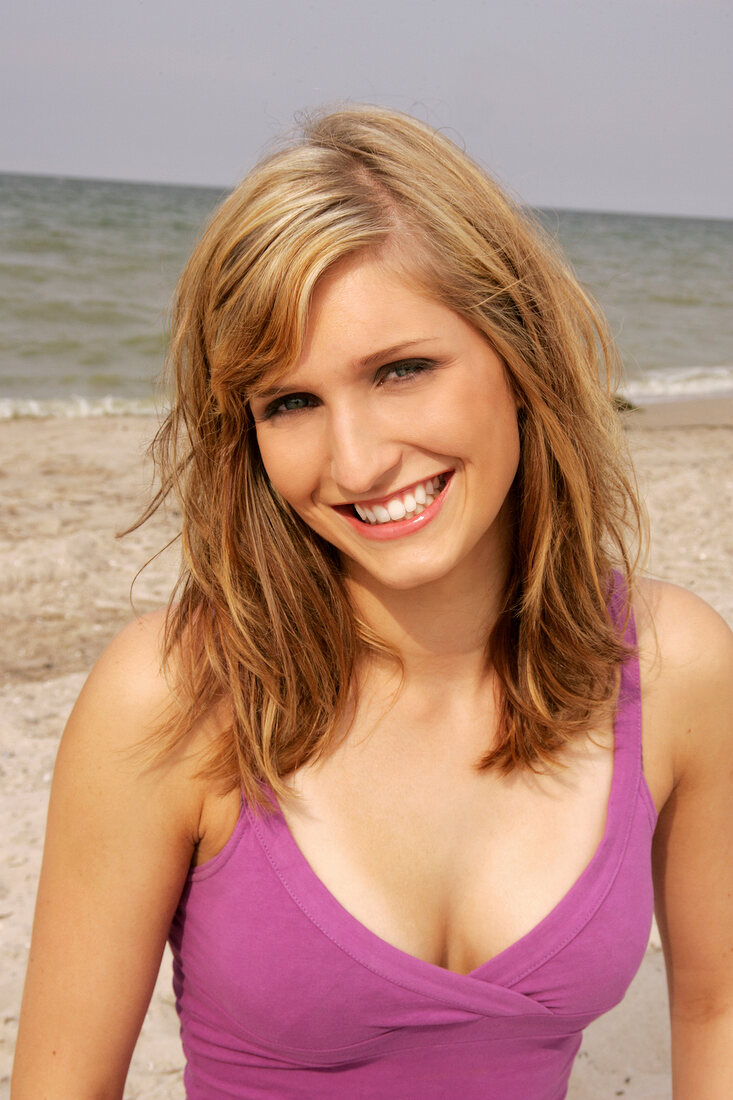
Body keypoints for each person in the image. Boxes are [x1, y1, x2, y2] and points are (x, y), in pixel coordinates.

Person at [12, 106, 733, 1099]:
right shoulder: (174, 697)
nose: (354, 460)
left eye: (401, 370)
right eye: (289, 401)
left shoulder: (673, 664)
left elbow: (714, 1004)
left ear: (519, 358)